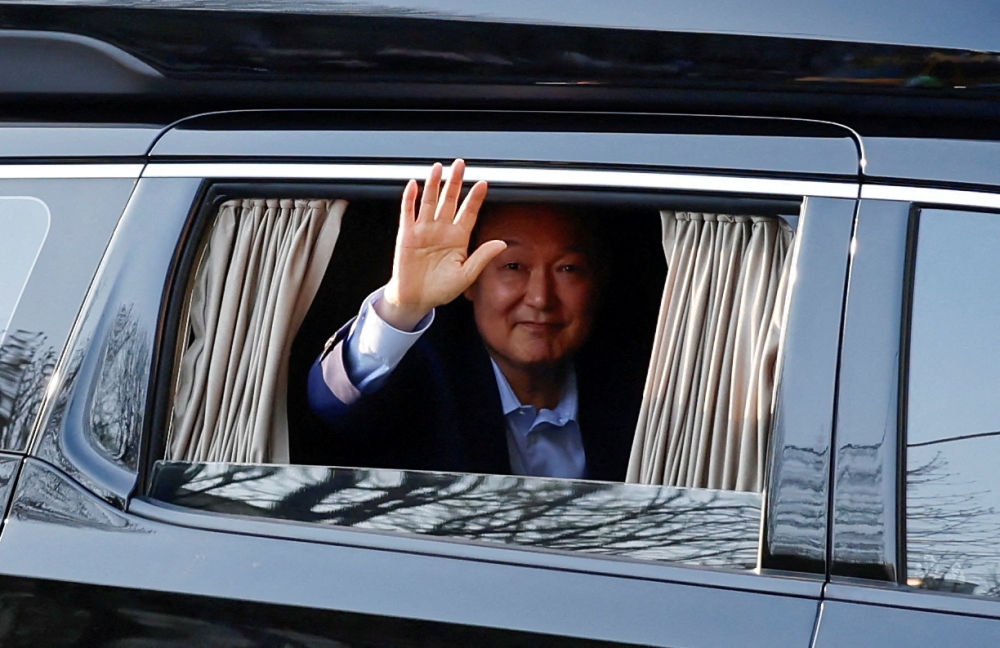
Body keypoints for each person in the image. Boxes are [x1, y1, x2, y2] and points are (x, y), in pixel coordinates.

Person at [307, 159, 640, 480]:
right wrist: (401, 308)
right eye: (513, 266)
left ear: (597, 281)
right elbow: (334, 403)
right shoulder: (424, 376)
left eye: (568, 269)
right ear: (469, 281)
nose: (540, 298)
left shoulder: (646, 385)